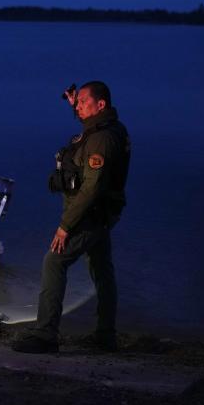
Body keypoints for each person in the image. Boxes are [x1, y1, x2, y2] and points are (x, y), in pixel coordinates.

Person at [12, 80, 131, 354]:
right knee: (102, 271)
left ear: (101, 105)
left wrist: (65, 227)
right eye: (76, 103)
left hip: (89, 214)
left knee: (54, 261)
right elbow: (90, 128)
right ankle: (105, 336)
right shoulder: (110, 128)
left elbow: (91, 188)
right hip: (103, 214)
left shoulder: (101, 138)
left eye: (83, 103)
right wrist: (76, 105)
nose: (78, 108)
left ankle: (45, 335)